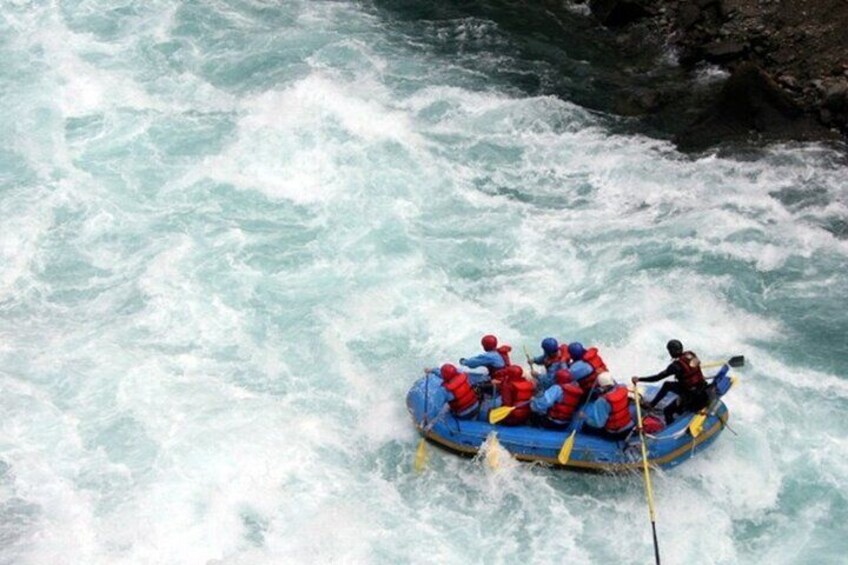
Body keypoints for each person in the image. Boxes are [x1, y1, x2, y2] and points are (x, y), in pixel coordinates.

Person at [632, 339, 710, 424]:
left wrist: (639, 379)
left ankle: (670, 426)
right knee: (667, 385)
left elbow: (657, 378)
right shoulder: (691, 354)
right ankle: (653, 405)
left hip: (692, 397)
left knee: (667, 411)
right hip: (703, 389)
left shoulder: (675, 366)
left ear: (671, 351)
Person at [580, 373, 635, 439]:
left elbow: (599, 424)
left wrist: (585, 417)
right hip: (629, 427)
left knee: (585, 426)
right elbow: (617, 385)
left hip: (615, 433)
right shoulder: (623, 388)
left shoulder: (602, 401)